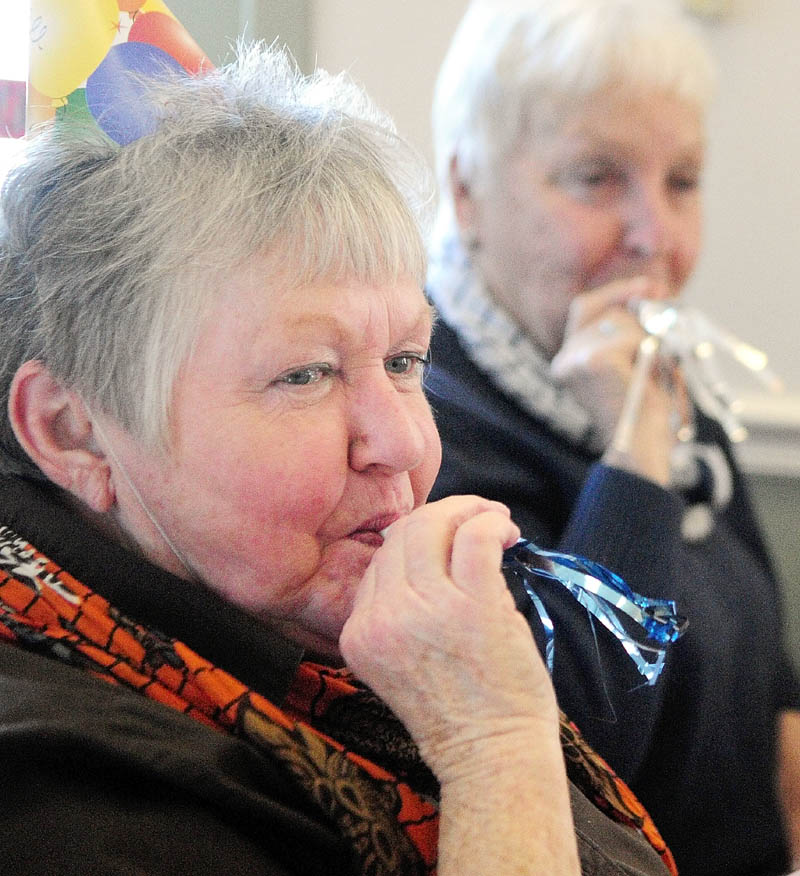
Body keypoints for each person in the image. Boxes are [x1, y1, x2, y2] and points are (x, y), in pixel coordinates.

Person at [0, 43, 678, 876]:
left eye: (403, 363)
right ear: (71, 432)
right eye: (305, 374)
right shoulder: (56, 789)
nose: (400, 443)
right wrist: (493, 744)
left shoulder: (293, 640)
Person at [425, 0, 800, 874]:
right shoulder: (425, 424)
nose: (657, 239)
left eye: (682, 181)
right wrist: (633, 456)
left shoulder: (658, 376)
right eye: (597, 176)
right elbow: (576, 754)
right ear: (466, 192)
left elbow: (769, 681)